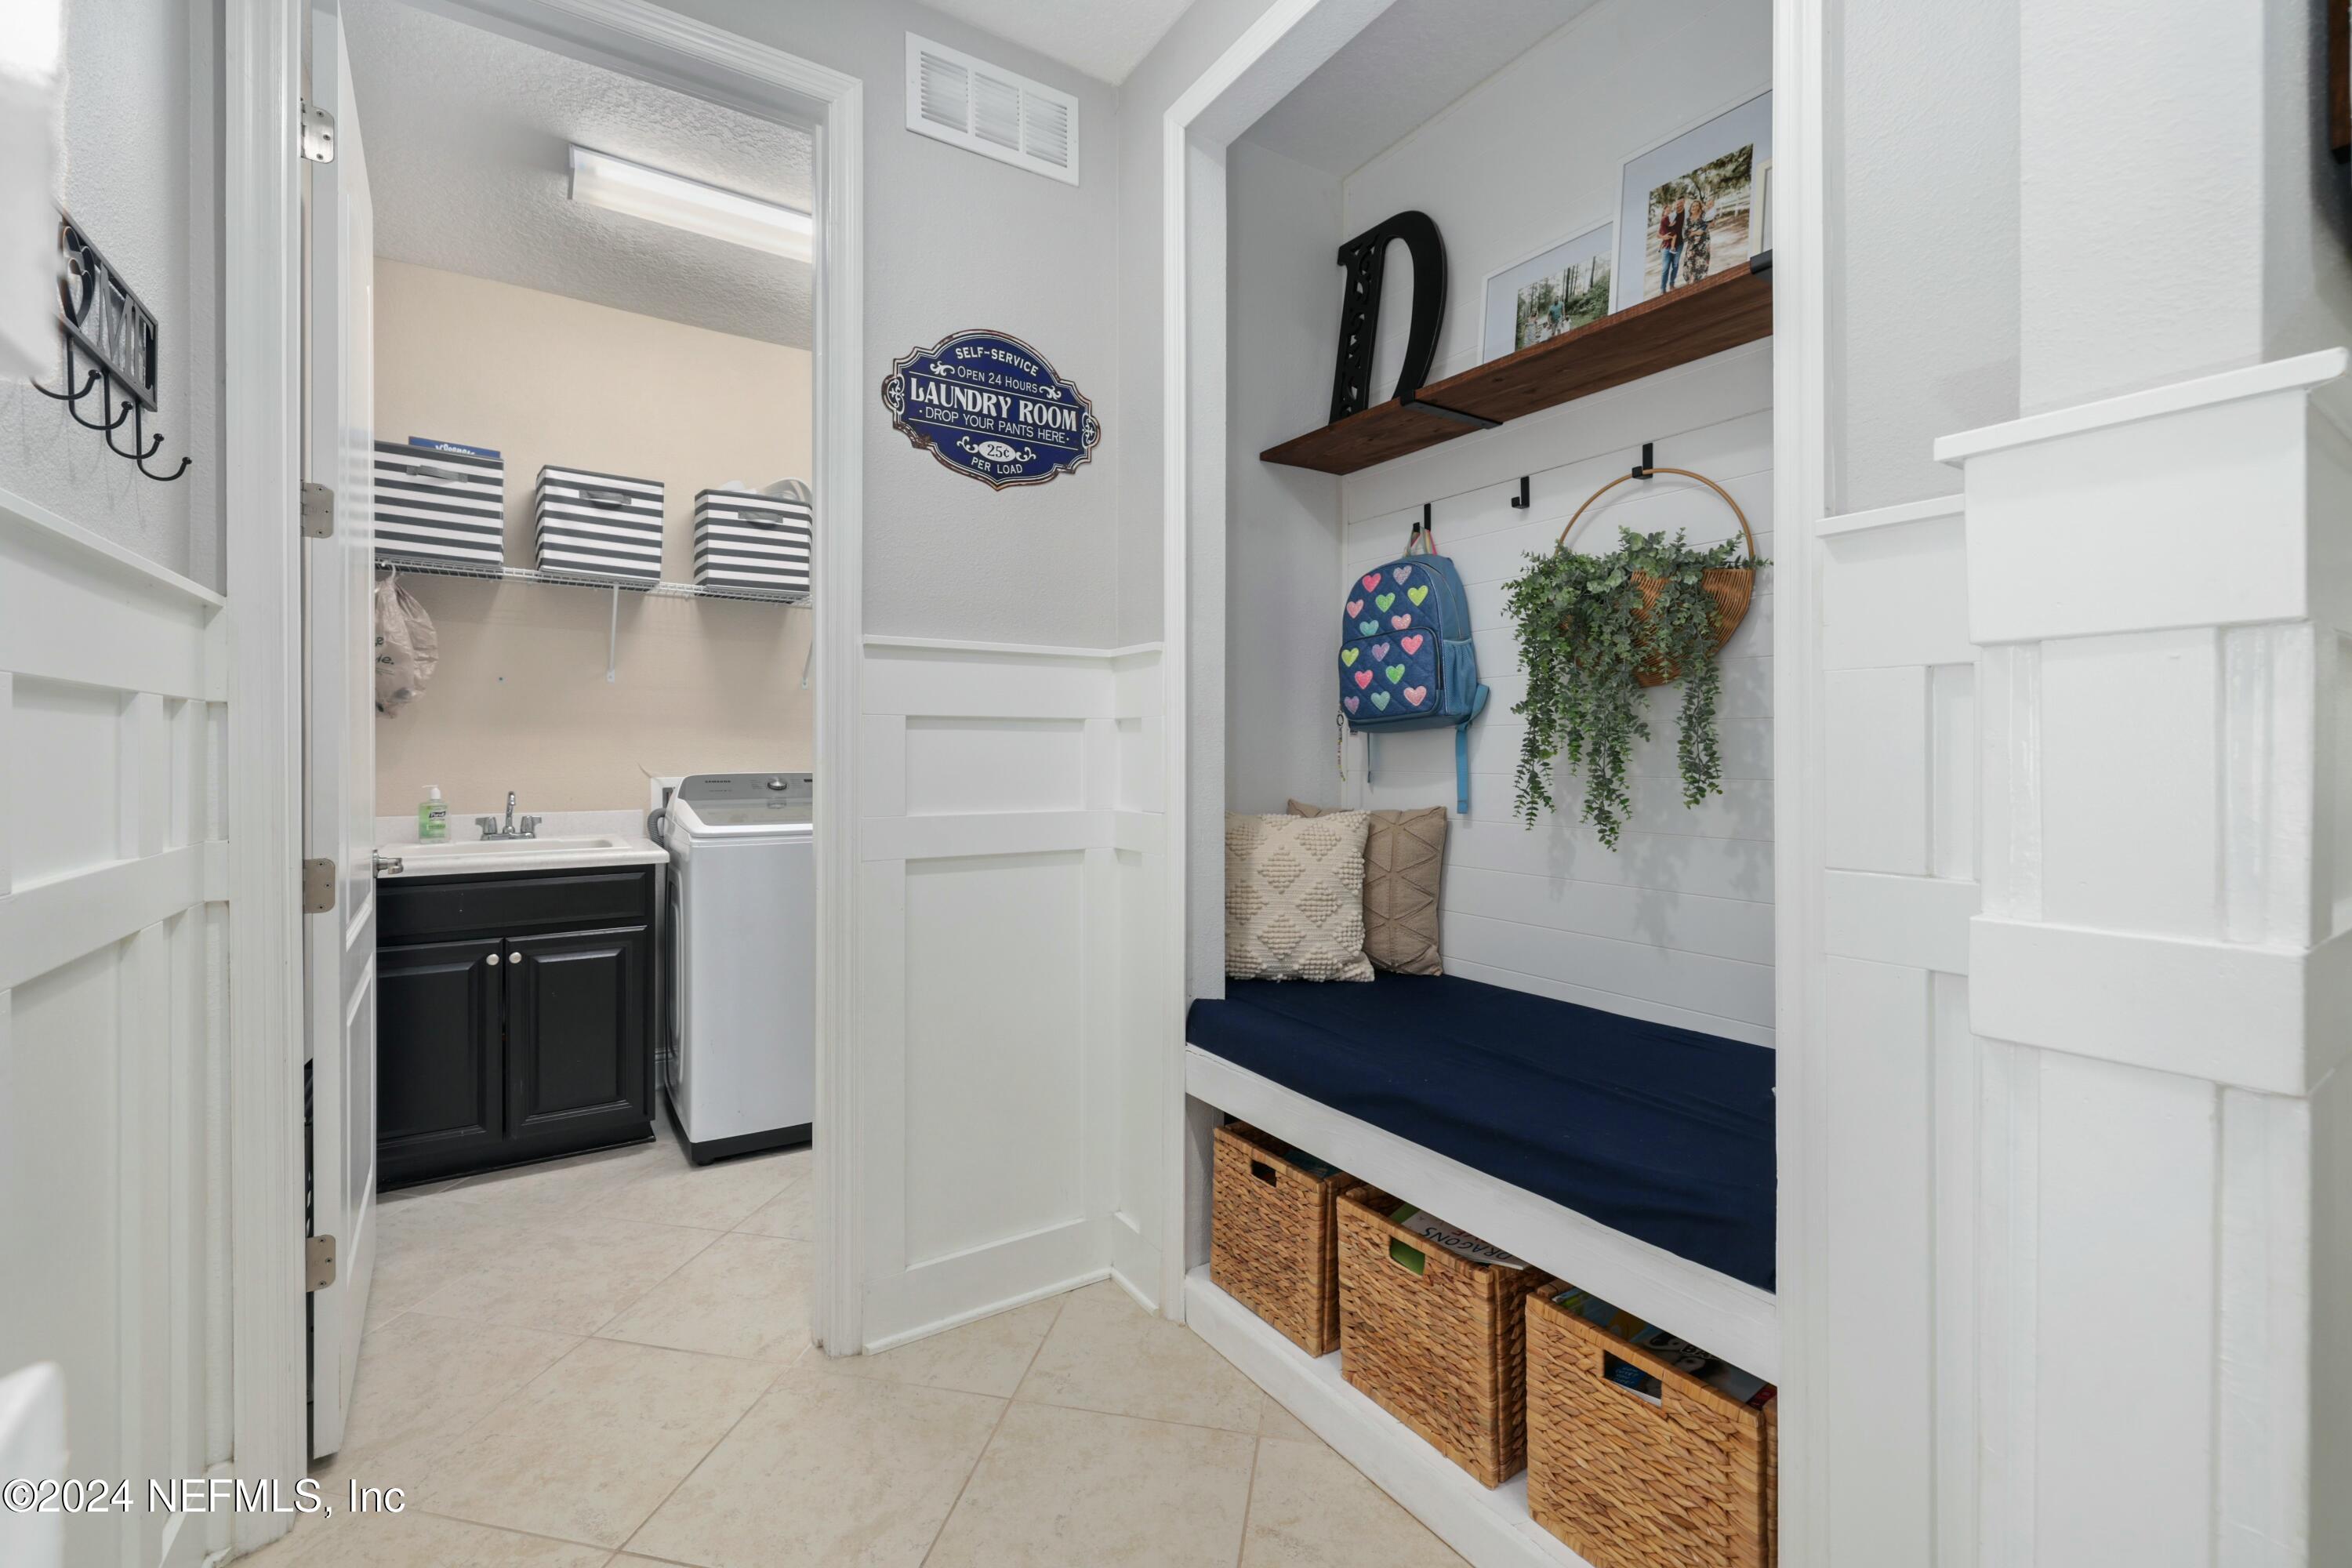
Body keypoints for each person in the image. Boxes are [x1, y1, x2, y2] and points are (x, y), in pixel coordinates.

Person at [1684, 189, 1714, 285]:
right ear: (1691, 208)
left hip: (1704, 241)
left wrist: (1702, 230)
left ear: (1700, 207)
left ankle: (1701, 279)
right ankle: (1691, 279)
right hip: (1692, 242)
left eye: (1696, 205)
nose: (1694, 207)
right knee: (1690, 260)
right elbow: (1686, 233)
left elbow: (1712, 223)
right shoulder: (1688, 220)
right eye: (1693, 206)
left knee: (1702, 260)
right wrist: (1694, 233)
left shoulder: (1704, 215)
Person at [1657, 198, 1684, 292]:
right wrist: (1663, 237)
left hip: (1679, 245)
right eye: (1677, 204)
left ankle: (1672, 285)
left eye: (1681, 204)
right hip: (1667, 247)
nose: (1679, 206)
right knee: (1665, 268)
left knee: (1675, 266)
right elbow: (1658, 234)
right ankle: (1662, 289)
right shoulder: (1667, 218)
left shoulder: (1684, 215)